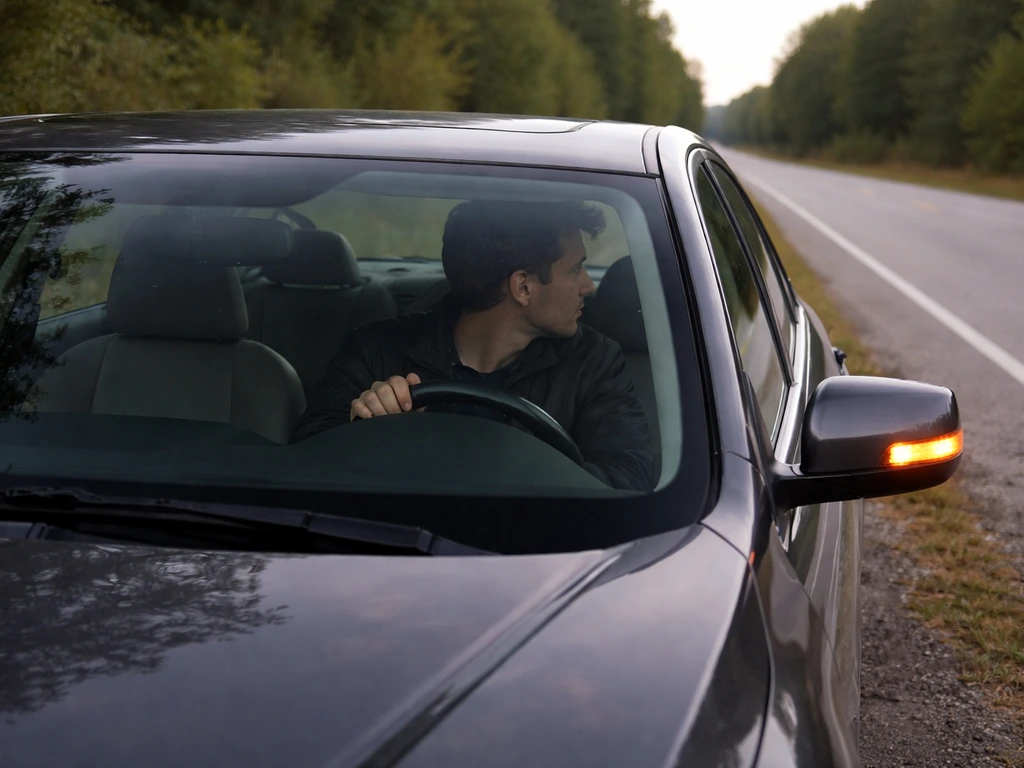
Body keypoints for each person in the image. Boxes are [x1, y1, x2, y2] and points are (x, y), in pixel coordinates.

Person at [290, 199, 654, 491]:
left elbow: (629, 477)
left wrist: (516, 470)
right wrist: (372, 430)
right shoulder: (376, 348)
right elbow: (305, 460)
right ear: (523, 287)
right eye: (576, 270)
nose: (588, 287)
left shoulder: (594, 361)